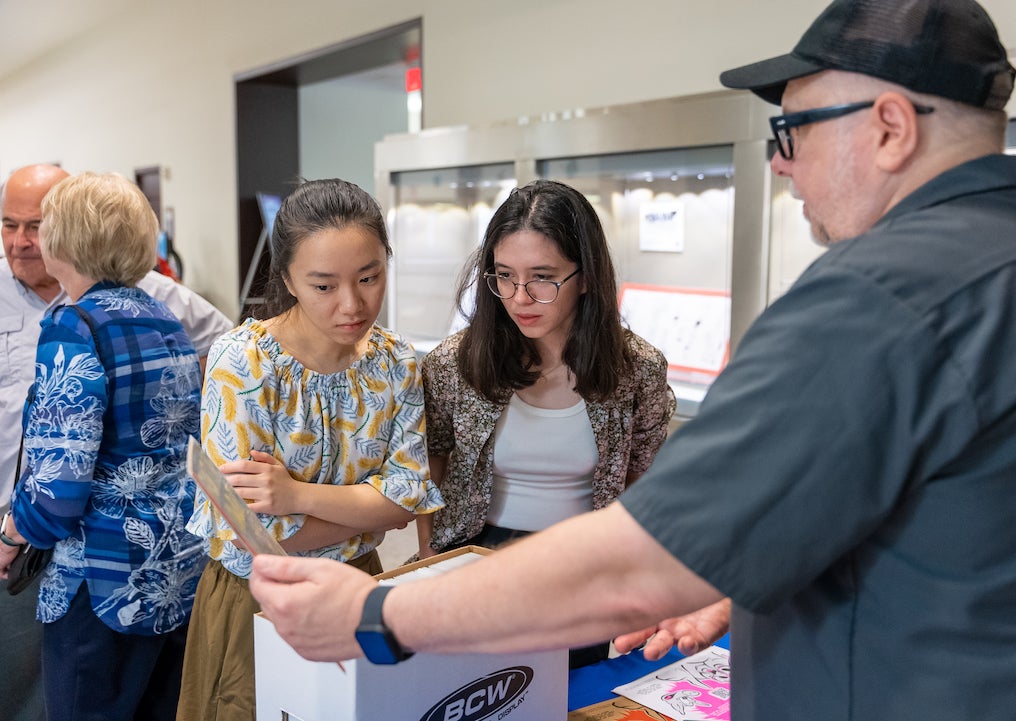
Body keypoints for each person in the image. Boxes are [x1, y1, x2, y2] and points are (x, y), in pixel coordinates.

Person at [249, 1, 1016, 720]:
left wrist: (378, 612)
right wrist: (734, 586)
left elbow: (644, 557)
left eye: (793, 129)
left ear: (891, 128)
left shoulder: (878, 299)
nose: (781, 162)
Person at [176, 178, 444, 721]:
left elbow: (409, 497)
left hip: (361, 583)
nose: (353, 303)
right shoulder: (244, 362)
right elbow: (251, 535)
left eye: (369, 277)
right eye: (324, 286)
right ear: (288, 280)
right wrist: (369, 512)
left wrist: (295, 493)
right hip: (261, 596)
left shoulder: (397, 363)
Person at [0, 163, 233, 721]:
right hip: (172, 563)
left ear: (63, 240)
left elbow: (60, 477)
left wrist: (13, 535)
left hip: (99, 578)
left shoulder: (73, 326)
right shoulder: (163, 318)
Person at [417, 180, 675, 665]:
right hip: (478, 560)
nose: (519, 298)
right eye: (503, 276)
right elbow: (432, 463)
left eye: (542, 277)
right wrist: (432, 555)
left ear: (585, 276)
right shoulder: (455, 363)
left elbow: (644, 480)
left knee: (575, 696)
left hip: (585, 569)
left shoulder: (636, 368)